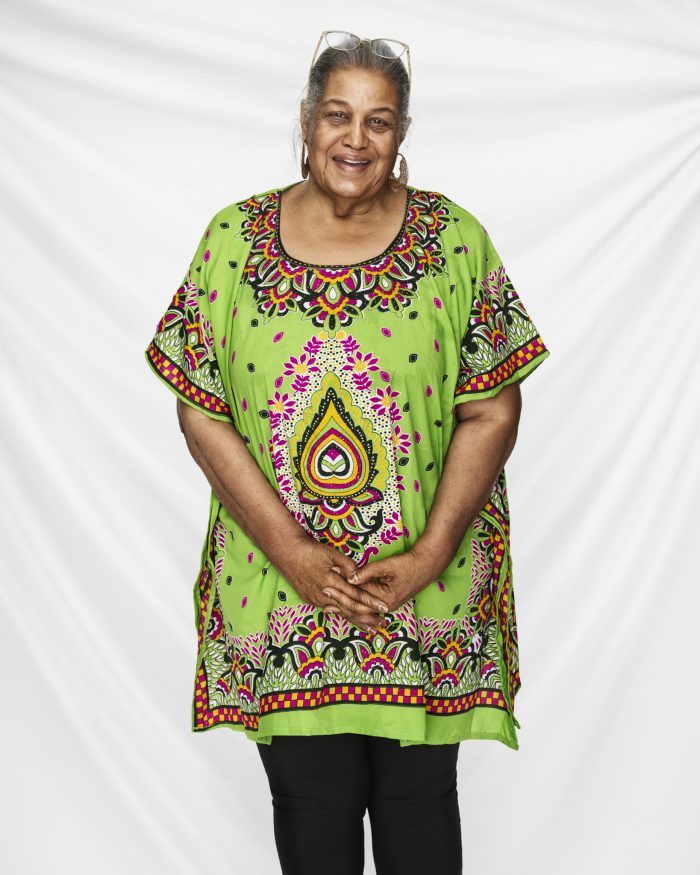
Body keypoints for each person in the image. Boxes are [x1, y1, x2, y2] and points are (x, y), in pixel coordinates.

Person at [144, 30, 551, 875]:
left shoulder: (451, 241)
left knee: (418, 813)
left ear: (401, 134)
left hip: (424, 596)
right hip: (279, 594)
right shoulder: (235, 242)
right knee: (313, 818)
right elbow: (200, 410)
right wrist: (292, 552)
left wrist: (429, 554)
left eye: (379, 120)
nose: (355, 139)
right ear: (305, 122)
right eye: (338, 115)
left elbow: (493, 408)